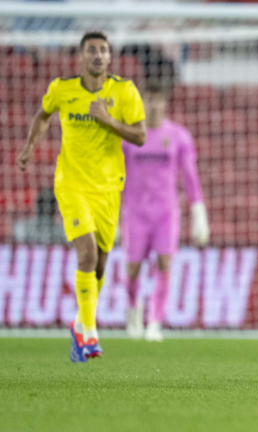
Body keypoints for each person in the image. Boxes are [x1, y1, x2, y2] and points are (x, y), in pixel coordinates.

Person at [17, 32, 146, 362]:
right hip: (72, 184)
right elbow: (43, 115)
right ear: (81, 57)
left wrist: (107, 119)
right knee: (87, 255)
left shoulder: (124, 91)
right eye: (92, 50)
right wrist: (31, 145)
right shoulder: (62, 89)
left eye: (103, 50)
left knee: (100, 264)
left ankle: (79, 322)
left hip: (108, 188)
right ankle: (88, 331)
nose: (98, 55)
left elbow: (140, 136)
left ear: (110, 58)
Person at [122, 83, 209, 342]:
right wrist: (114, 217)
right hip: (135, 212)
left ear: (165, 103)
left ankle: (155, 322)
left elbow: (190, 176)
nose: (154, 106)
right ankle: (132, 309)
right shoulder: (129, 137)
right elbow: (118, 178)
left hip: (165, 212)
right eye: (149, 100)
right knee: (132, 269)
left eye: (158, 100)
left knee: (164, 263)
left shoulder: (178, 136)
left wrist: (198, 212)